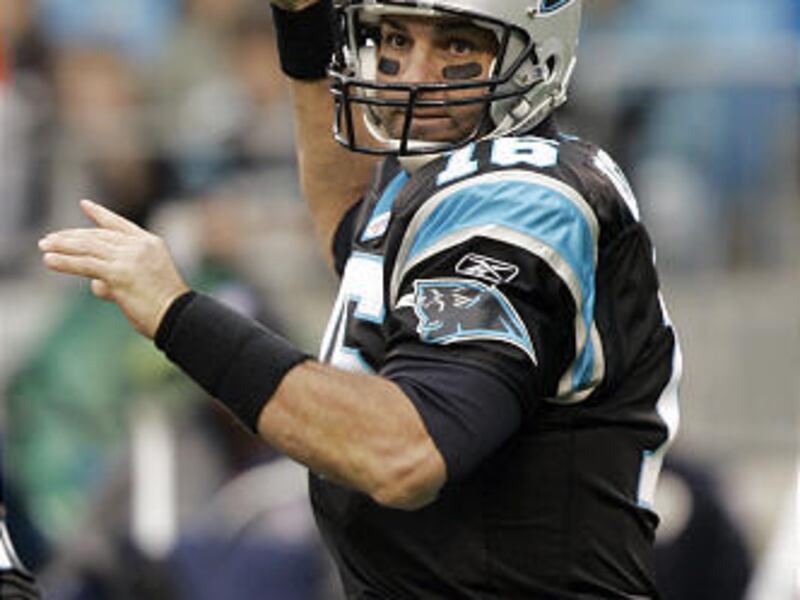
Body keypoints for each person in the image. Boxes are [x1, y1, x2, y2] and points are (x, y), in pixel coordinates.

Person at [38, 0, 682, 597]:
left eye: (457, 43)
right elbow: (350, 222)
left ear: (537, 53)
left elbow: (404, 451)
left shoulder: (522, 203)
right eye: (397, 38)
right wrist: (304, 24)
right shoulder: (447, 170)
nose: (415, 73)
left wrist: (178, 316)